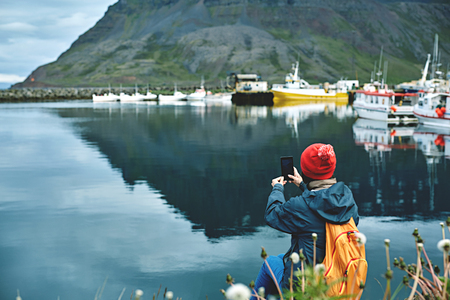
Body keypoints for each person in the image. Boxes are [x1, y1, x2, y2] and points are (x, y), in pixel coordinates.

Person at [251, 143, 359, 299]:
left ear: (304, 170)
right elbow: (323, 203)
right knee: (283, 257)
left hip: (304, 286)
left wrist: (277, 189)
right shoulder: (347, 199)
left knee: (270, 262)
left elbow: (272, 215)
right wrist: (303, 186)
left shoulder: (299, 206)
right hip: (336, 279)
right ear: (331, 169)